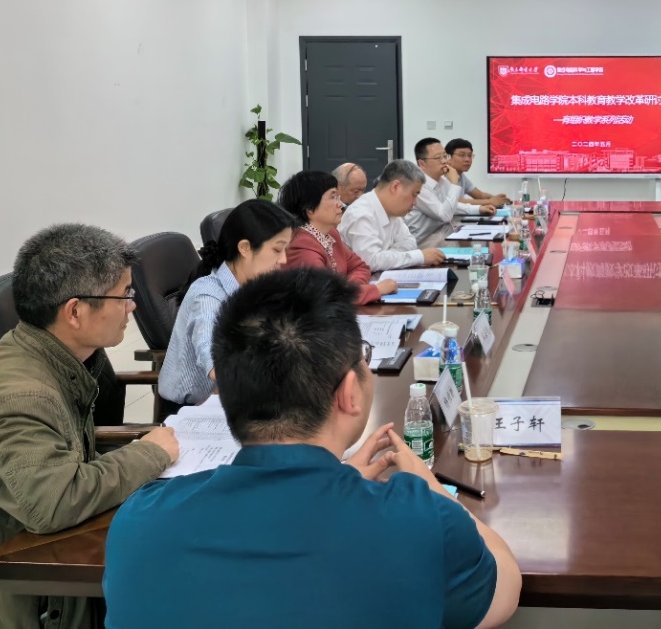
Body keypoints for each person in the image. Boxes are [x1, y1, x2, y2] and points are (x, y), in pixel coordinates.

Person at [104, 267, 522, 629]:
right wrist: (432, 488)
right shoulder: (419, 519)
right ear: (349, 393)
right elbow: (504, 589)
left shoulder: (139, 522)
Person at [0, 224, 179, 629]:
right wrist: (149, 453)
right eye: (124, 294)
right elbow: (52, 505)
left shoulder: (52, 353)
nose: (133, 306)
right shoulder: (22, 395)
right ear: (74, 312)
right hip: (24, 579)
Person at [159, 200, 294, 406]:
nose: (283, 259)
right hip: (191, 411)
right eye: (277, 250)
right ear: (245, 248)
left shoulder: (253, 286)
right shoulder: (207, 296)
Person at [277, 170, 397, 303]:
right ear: (310, 208)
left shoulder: (330, 234)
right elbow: (329, 298)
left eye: (338, 197)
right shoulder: (302, 248)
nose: (340, 204)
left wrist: (349, 289)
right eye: (333, 197)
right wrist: (376, 289)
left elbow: (360, 267)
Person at [341, 159, 447, 271]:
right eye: (414, 194)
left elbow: (410, 242)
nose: (415, 202)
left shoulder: (392, 211)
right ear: (395, 187)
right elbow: (370, 262)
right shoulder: (362, 214)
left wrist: (386, 257)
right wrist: (419, 257)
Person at [406, 137, 495, 244]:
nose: (444, 161)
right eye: (438, 158)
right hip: (422, 241)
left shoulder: (442, 180)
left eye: (445, 156)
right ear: (422, 164)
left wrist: (479, 209)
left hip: (440, 232)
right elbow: (444, 215)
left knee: (485, 236)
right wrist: (454, 182)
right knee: (475, 242)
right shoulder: (419, 186)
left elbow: (452, 205)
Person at [446, 138, 510, 207]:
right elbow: (456, 201)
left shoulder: (461, 176)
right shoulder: (444, 176)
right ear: (448, 157)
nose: (467, 159)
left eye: (470, 155)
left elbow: (480, 195)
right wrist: (490, 201)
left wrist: (496, 199)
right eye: (462, 155)